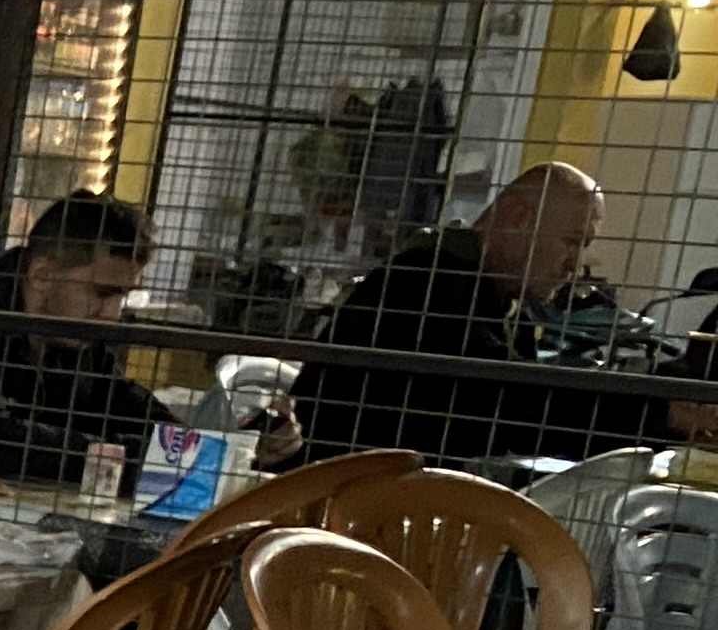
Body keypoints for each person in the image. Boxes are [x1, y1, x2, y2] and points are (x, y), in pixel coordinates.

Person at [0, 193, 298, 496]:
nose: (112, 314)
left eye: (121, 297)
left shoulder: (71, 331)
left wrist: (215, 447)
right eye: (103, 294)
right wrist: (139, 455)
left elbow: (118, 399)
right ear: (41, 276)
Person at [297, 161, 718, 460]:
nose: (574, 264)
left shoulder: (500, 298)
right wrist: (662, 411)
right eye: (572, 241)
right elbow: (515, 400)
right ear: (518, 217)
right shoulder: (431, 281)